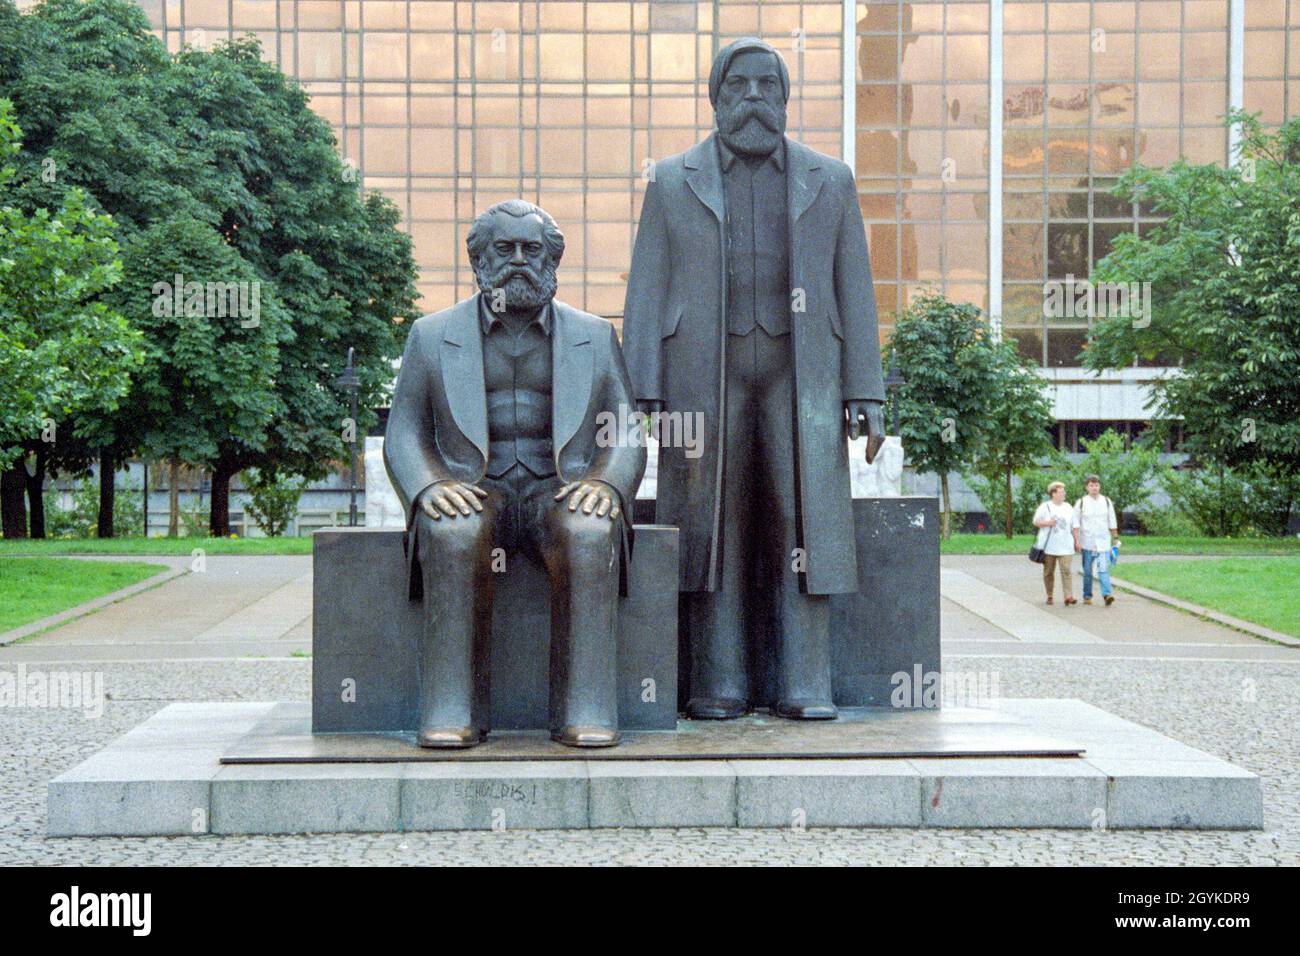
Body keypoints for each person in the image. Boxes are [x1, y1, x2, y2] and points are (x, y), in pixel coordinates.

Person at [621, 38, 885, 721]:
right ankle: (719, 682)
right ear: (715, 99)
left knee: (806, 520)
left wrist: (866, 390)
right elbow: (648, 284)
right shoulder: (672, 180)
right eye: (739, 86)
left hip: (806, 376)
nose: (755, 98)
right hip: (701, 377)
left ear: (786, 99)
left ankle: (803, 681)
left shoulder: (832, 179)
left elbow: (853, 286)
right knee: (715, 524)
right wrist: (640, 386)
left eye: (769, 85)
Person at [383, 200, 646, 748]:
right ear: (478, 259)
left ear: (553, 259)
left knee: (589, 529)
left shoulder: (594, 335)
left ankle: (586, 709)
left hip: (559, 486)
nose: (520, 261)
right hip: (474, 486)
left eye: (533, 250)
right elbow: (404, 432)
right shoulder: (431, 335)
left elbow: (625, 428)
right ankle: (453, 709)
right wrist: (430, 486)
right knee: (453, 531)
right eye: (505, 249)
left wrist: (606, 483)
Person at [1073, 474, 1119, 606]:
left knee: (1102, 569)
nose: (1094, 488)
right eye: (1091, 485)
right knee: (1087, 570)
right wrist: (1076, 541)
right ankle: (1087, 596)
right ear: (1087, 487)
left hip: (1103, 541)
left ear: (1100, 486)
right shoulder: (1081, 502)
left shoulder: (1106, 501)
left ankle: (1107, 594)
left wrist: (1115, 538)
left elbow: (1112, 520)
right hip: (1087, 542)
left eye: (1096, 485)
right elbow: (1076, 524)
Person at [1032, 481, 1077, 605]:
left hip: (1066, 545)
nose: (1064, 493)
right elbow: (1036, 522)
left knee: (1066, 570)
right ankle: (1050, 595)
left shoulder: (1068, 507)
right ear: (1053, 493)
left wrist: (1077, 541)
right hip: (1049, 546)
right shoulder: (1045, 506)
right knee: (1048, 572)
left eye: (1064, 491)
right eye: (1061, 491)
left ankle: (1068, 596)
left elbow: (1074, 525)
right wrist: (1048, 523)